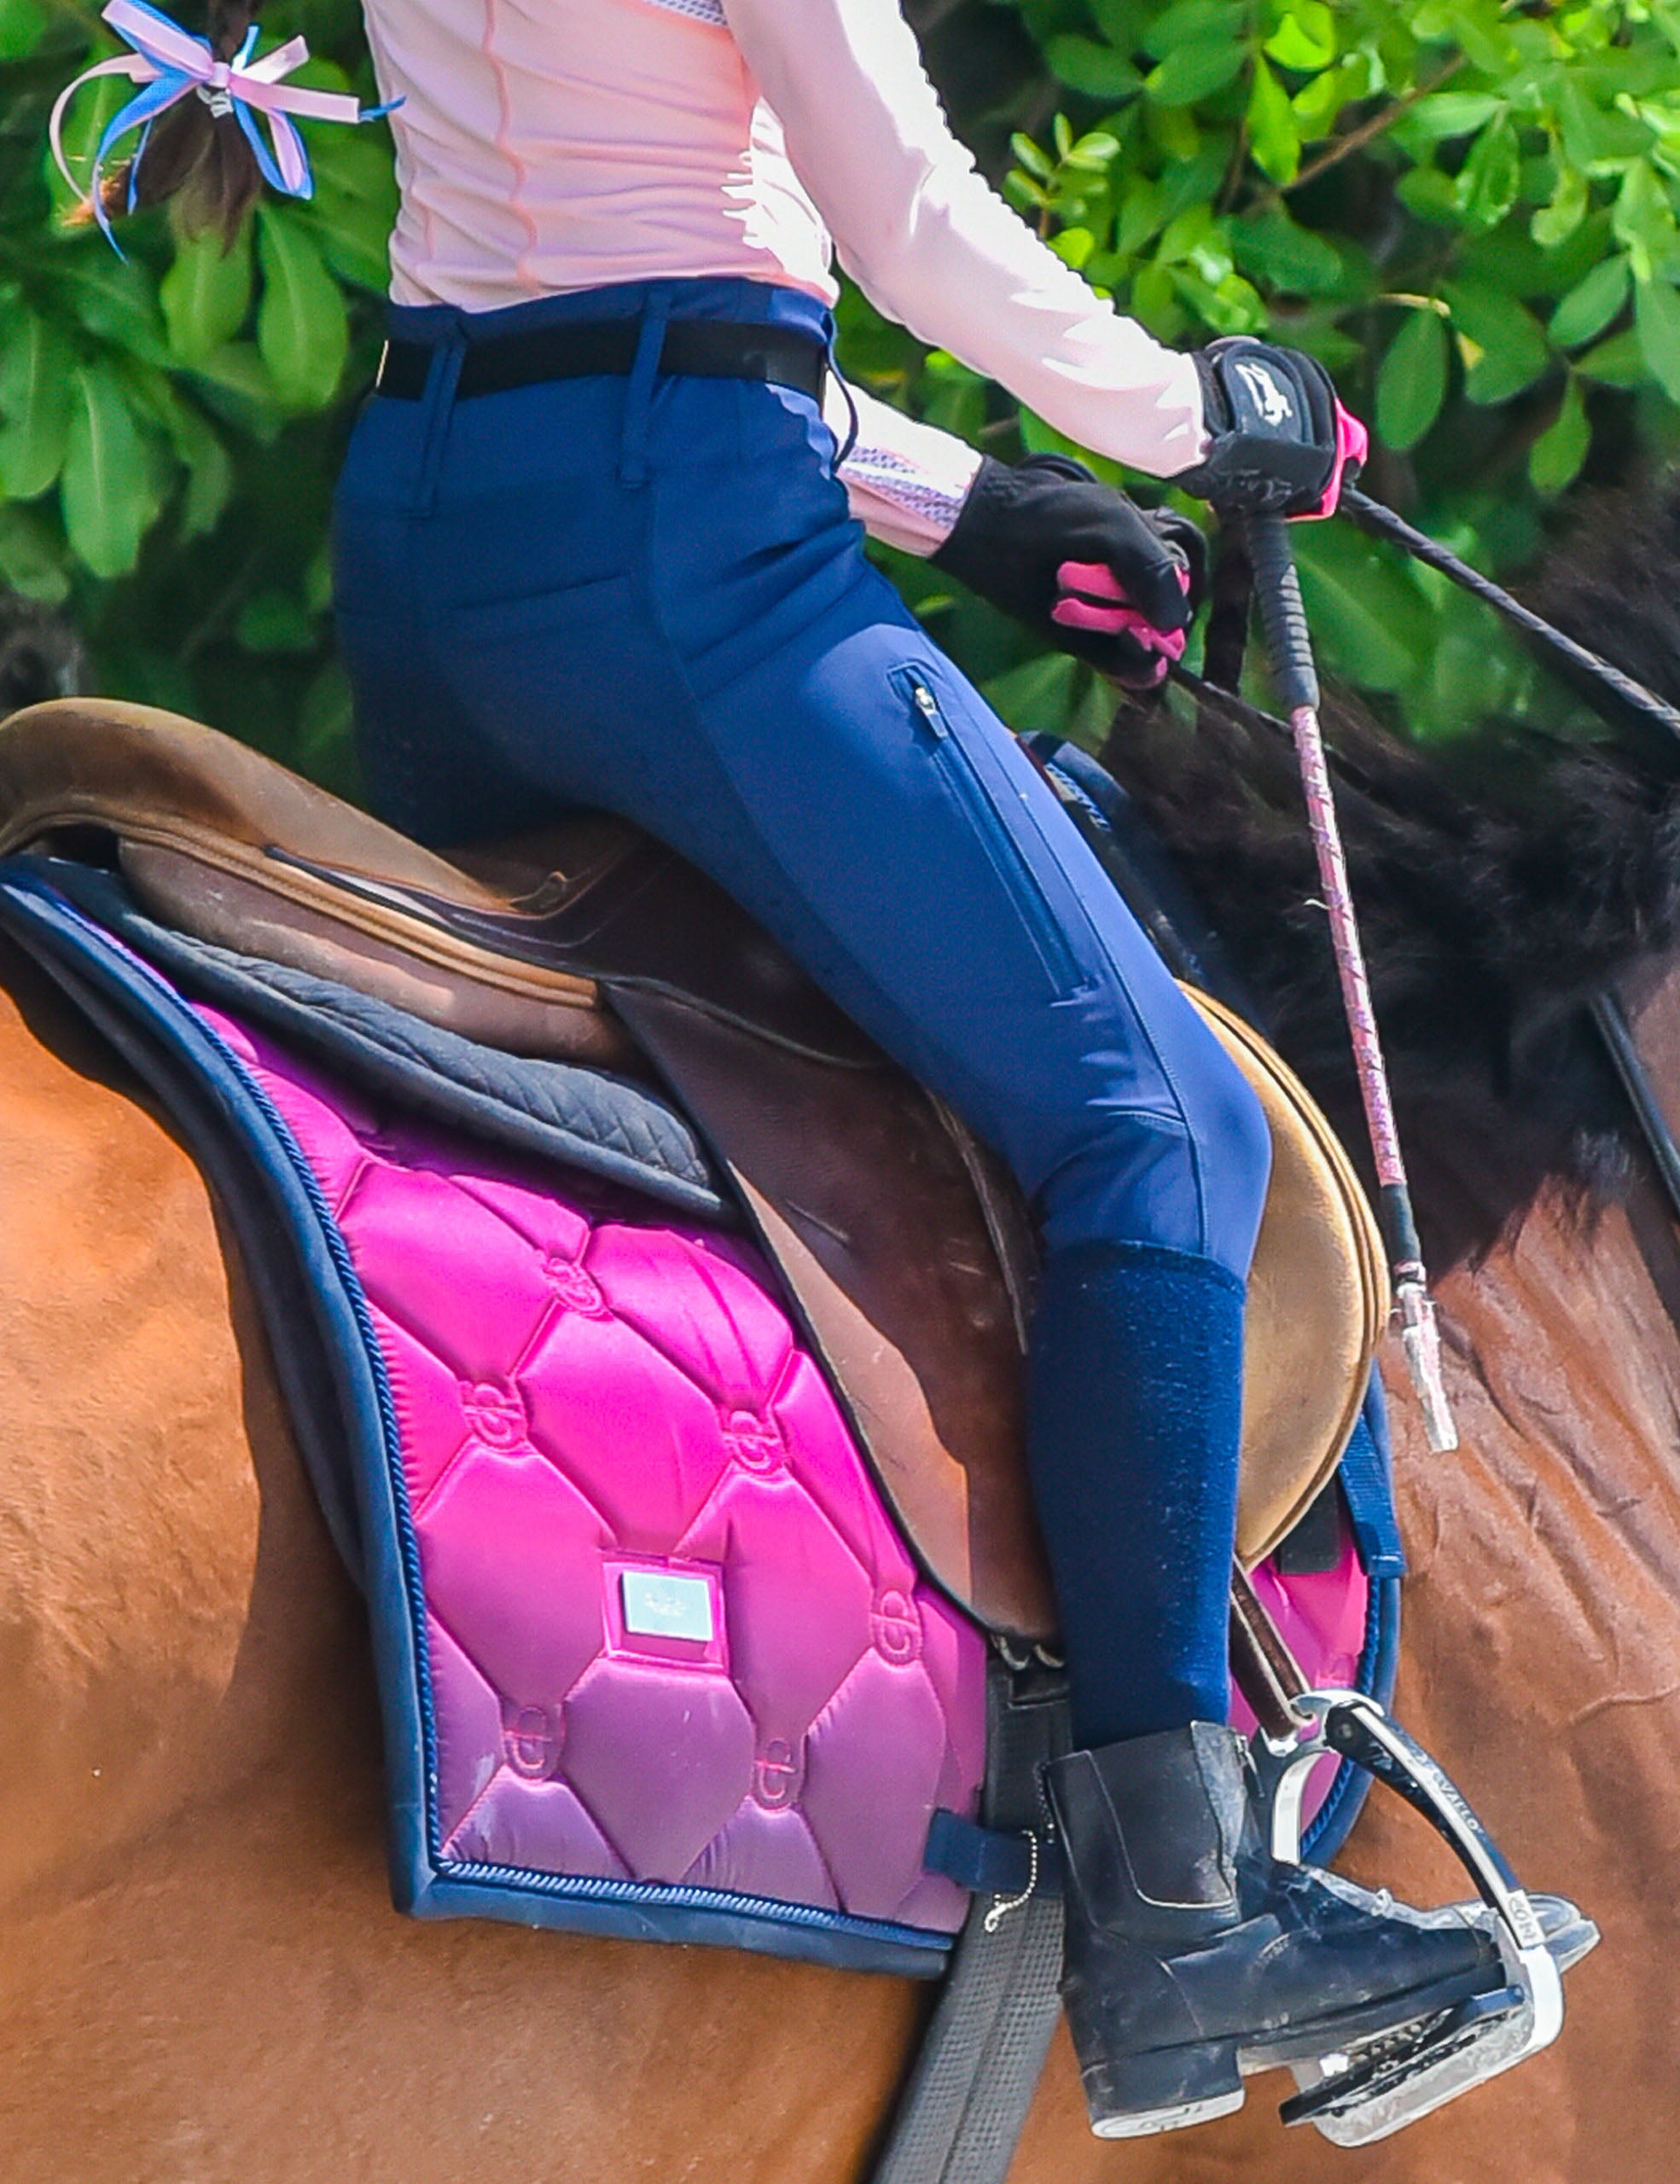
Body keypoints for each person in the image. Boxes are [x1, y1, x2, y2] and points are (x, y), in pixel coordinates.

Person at [66, 0, 1551, 2138]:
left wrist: (966, 507)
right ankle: (1178, 1911)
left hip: (434, 540)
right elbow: (916, 229)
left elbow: (572, 278)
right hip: (689, 560)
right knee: (1158, 1125)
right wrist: (1196, 413)